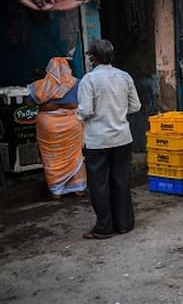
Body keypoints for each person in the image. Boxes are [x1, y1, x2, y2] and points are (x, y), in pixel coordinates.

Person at [78, 39, 141, 239]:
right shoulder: (124, 76)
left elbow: (86, 110)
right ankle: (124, 224)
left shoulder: (89, 80)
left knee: (99, 183)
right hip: (122, 137)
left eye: (90, 56)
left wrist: (77, 116)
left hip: (98, 140)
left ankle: (104, 227)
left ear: (93, 58)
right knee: (121, 181)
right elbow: (136, 106)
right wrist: (119, 114)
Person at [28, 57, 86, 199]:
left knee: (51, 158)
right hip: (71, 124)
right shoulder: (77, 83)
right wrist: (65, 105)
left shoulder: (39, 85)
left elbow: (29, 103)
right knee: (75, 156)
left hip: (48, 126)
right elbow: (81, 102)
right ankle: (78, 188)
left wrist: (49, 105)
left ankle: (56, 190)